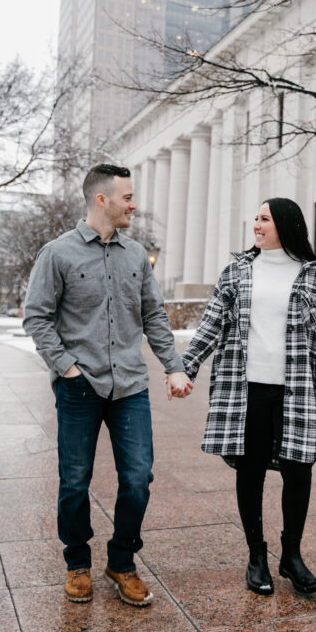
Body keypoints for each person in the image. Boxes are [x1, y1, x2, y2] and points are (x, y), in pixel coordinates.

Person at [23, 163, 193, 606]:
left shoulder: (135, 254)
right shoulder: (57, 254)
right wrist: (66, 367)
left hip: (130, 386)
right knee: (74, 481)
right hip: (80, 386)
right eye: (127, 197)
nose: (134, 205)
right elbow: (36, 318)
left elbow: (153, 315)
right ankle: (77, 561)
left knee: (138, 478)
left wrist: (173, 365)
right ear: (102, 199)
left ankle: (121, 561)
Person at [179, 197, 316, 596]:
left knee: (298, 470)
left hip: (297, 389)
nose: (256, 225)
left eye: (264, 219)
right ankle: (256, 556)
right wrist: (186, 366)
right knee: (249, 471)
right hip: (246, 388)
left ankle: (292, 555)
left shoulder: (313, 275)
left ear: (285, 224)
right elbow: (211, 323)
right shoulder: (238, 271)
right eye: (255, 218)